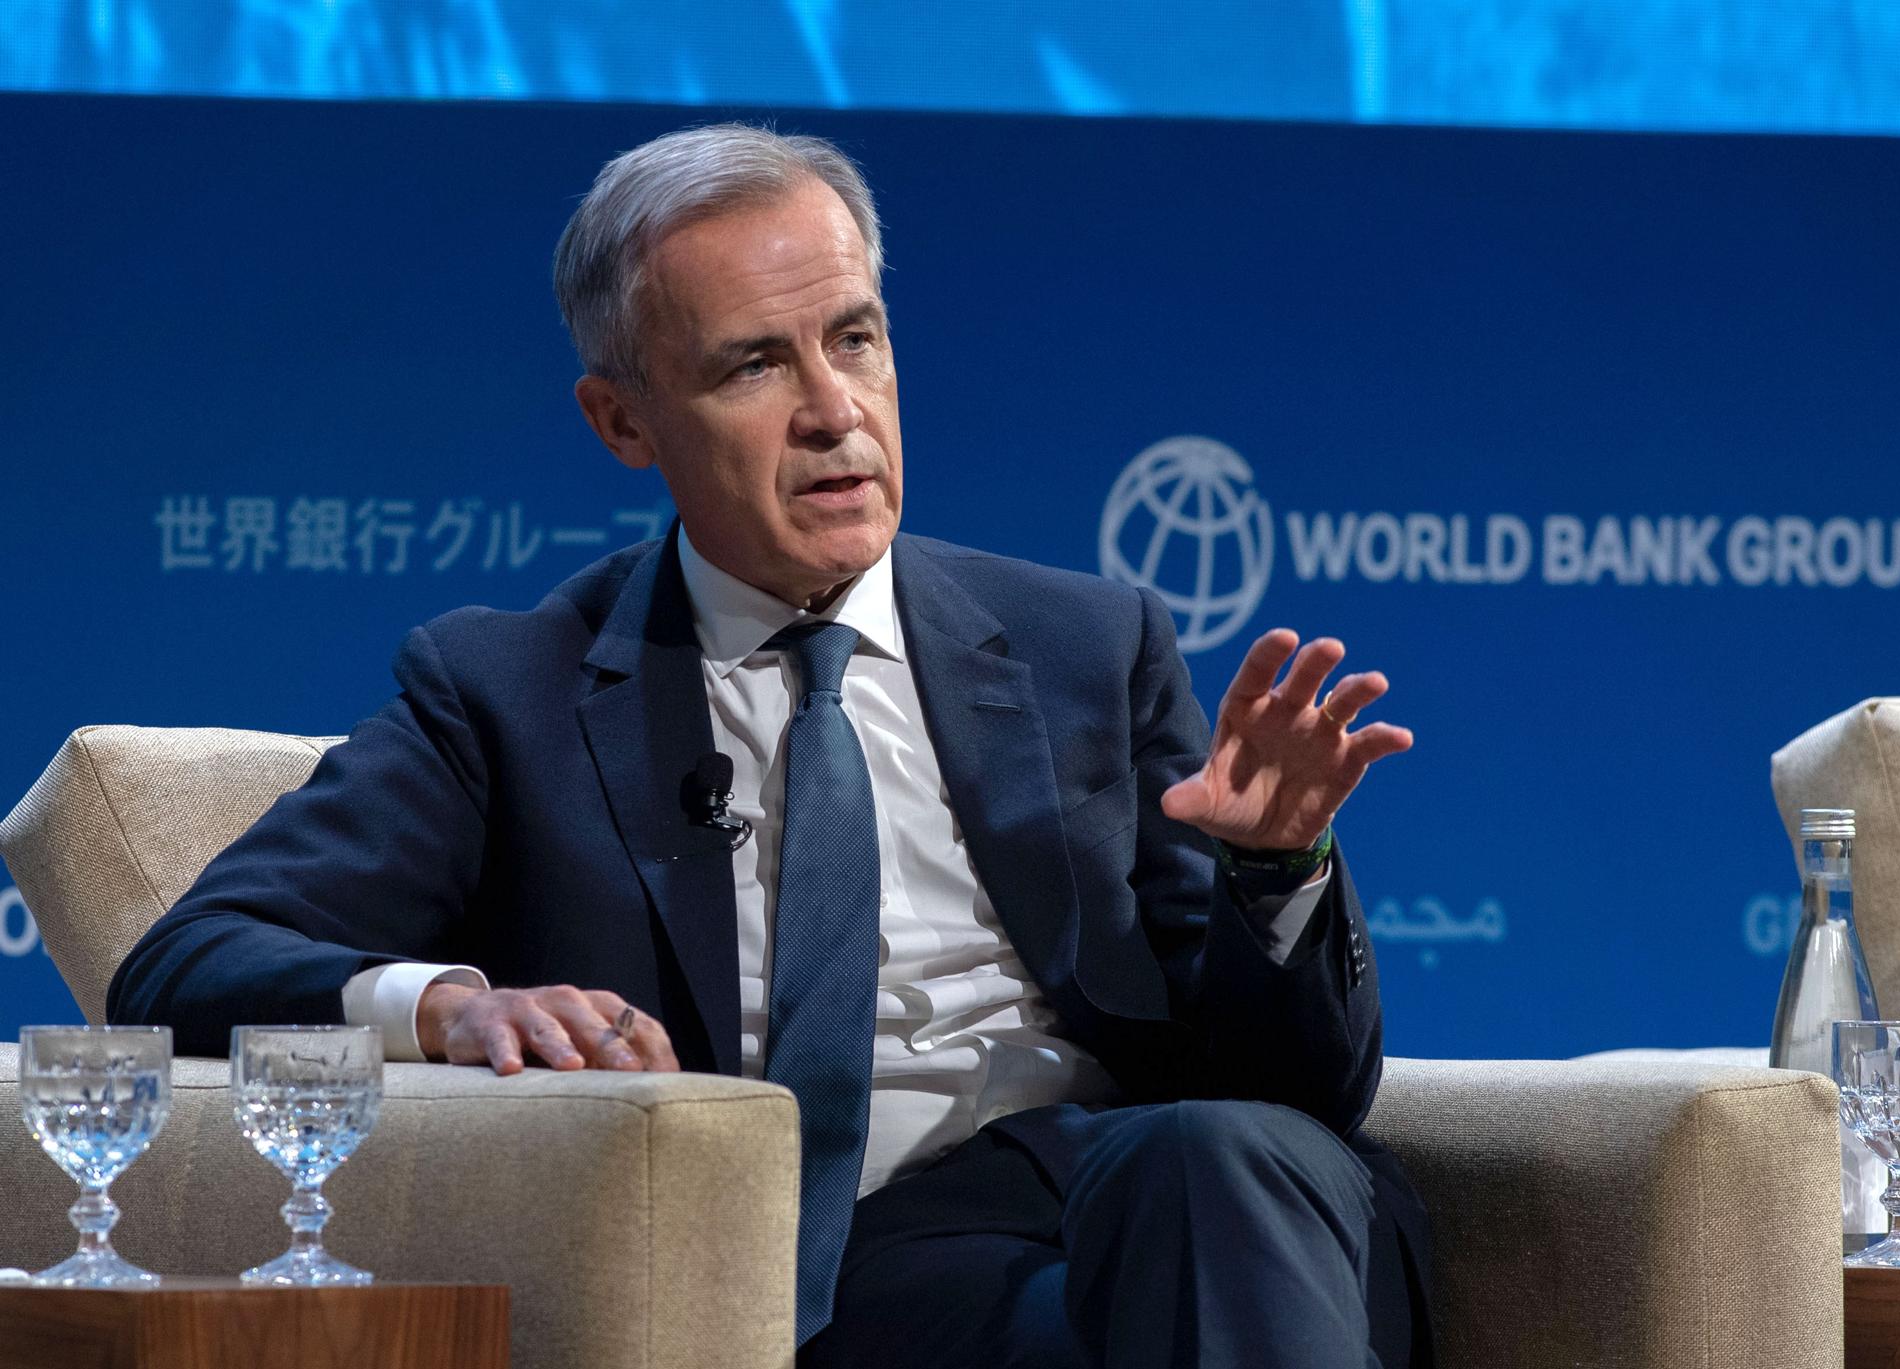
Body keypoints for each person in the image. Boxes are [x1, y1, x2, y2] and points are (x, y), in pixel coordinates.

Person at [109, 123, 1430, 1368]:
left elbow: (1299, 1086)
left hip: (1192, 1194)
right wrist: (452, 1007)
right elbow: (186, 961)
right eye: (755, 364)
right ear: (623, 422)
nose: (834, 410)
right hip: (894, 1264)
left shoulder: (1088, 643)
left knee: (1207, 1168)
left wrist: (1277, 869)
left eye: (855, 339)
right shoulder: (508, 692)